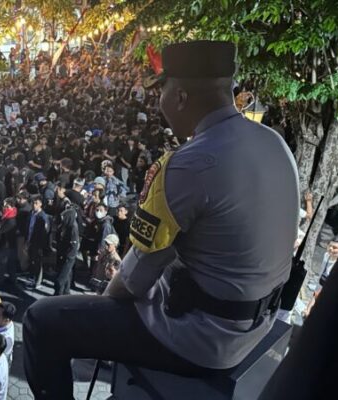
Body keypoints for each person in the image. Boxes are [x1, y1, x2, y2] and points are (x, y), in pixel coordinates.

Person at [23, 40, 300, 399]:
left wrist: (102, 307)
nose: (159, 100)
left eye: (162, 89)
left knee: (42, 320)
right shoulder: (273, 143)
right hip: (257, 324)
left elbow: (131, 283)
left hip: (201, 339)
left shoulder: (187, 165)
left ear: (180, 96)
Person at [53, 199, 80, 295]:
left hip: (68, 258)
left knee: (60, 279)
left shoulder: (73, 229)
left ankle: (58, 295)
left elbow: (73, 247)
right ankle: (66, 293)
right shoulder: (65, 225)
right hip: (63, 254)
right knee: (66, 277)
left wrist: (68, 258)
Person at [26, 195, 49, 289]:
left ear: (41, 204)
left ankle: (38, 282)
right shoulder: (32, 213)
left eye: (36, 203)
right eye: (33, 203)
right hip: (31, 240)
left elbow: (45, 233)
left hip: (38, 243)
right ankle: (34, 278)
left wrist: (41, 246)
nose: (34, 205)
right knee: (33, 261)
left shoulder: (43, 217)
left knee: (38, 262)